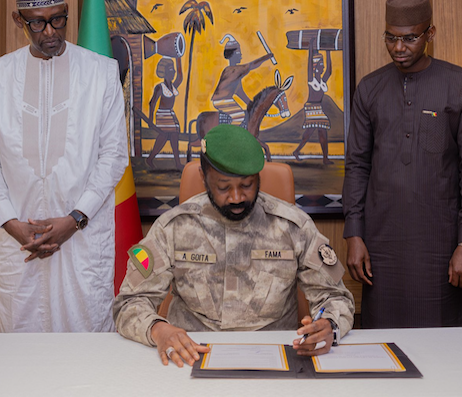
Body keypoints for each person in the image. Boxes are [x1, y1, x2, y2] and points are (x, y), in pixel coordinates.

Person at [114, 124, 354, 367]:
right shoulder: (172, 228)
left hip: (274, 359)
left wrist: (329, 325)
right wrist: (159, 329)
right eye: (223, 187)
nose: (237, 197)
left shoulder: (294, 227)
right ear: (203, 177)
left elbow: (335, 297)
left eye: (247, 185)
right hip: (189, 356)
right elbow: (128, 304)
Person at [0, 0, 128, 333]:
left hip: (82, 238)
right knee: (22, 351)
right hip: (19, 239)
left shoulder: (101, 73)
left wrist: (74, 219)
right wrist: (11, 224)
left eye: (58, 19)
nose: (51, 32)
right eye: (38, 24)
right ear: (19, 21)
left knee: (86, 341)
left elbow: (113, 156)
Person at [342, 0, 462, 328]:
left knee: (442, 352)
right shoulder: (370, 89)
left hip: (440, 244)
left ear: (430, 33)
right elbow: (357, 165)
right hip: (381, 246)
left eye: (409, 38)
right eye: (390, 38)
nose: (398, 47)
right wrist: (354, 235)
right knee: (382, 347)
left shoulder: (460, 84)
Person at [210, 34, 275, 125]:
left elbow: (241, 95)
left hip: (223, 100)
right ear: (232, 54)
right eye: (238, 52)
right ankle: (230, 136)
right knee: (239, 116)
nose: (241, 54)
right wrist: (267, 57)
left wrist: (255, 106)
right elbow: (252, 65)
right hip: (221, 101)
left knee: (244, 115)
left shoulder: (236, 76)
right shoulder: (233, 70)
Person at [293, 43, 333, 164]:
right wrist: (310, 48)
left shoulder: (322, 80)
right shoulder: (312, 79)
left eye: (323, 64)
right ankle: (323, 158)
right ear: (315, 66)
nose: (323, 67)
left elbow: (330, 71)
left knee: (316, 132)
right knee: (315, 131)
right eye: (321, 64)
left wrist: (328, 51)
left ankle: (324, 157)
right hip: (311, 107)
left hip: (318, 107)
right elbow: (309, 65)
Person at [146, 56, 184, 170]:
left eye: (173, 70)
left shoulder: (173, 86)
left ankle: (152, 158)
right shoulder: (160, 87)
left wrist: (178, 57)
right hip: (162, 115)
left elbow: (180, 77)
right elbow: (152, 103)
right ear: (165, 72)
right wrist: (150, 120)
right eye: (171, 70)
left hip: (170, 114)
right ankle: (175, 163)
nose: (173, 73)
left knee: (169, 136)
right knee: (168, 135)